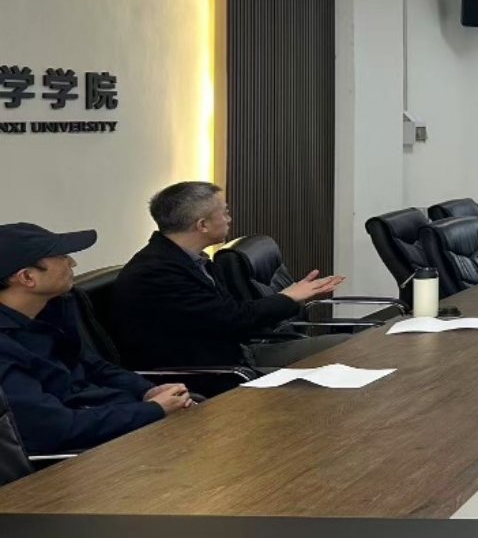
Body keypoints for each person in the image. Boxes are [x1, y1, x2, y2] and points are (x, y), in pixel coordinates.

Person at [114, 182, 349, 371]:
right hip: (215, 371)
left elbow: (229, 314)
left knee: (348, 346)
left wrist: (289, 296)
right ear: (202, 225)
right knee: (343, 360)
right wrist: (289, 297)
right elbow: (234, 318)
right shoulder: (157, 273)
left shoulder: (190, 259)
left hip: (238, 353)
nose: (229, 219)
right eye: (224, 213)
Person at [0, 223, 192, 455]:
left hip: (115, 419)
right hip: (83, 453)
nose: (73, 263)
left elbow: (94, 366)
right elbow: (54, 428)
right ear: (28, 277)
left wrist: (146, 391)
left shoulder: (52, 310)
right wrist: (152, 410)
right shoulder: (6, 349)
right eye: (61, 257)